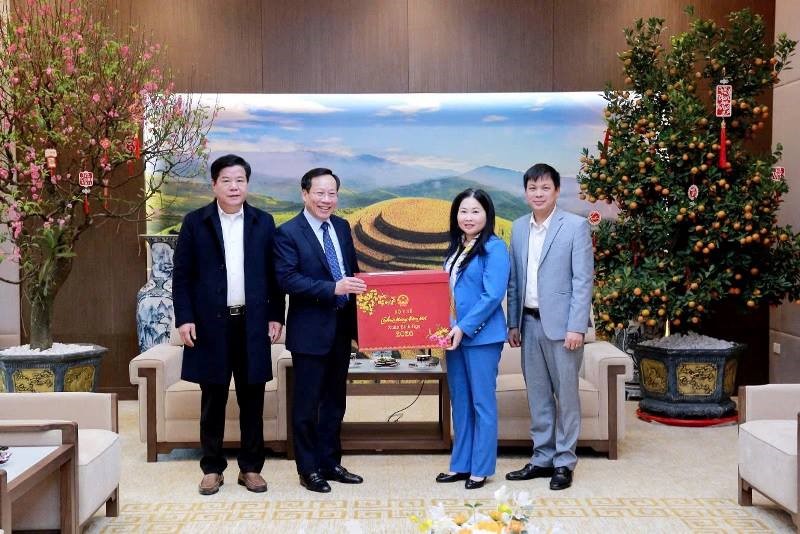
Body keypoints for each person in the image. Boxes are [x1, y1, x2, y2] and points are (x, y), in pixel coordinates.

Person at [172, 154, 285, 495]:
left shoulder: (263, 222)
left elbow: (274, 276)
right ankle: (212, 468)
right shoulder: (196, 222)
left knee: (252, 399)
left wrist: (276, 315)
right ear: (214, 185)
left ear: (247, 184)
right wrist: (184, 318)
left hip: (252, 324)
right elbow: (182, 276)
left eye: (240, 180)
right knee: (213, 399)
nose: (234, 186)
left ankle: (250, 467)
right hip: (210, 326)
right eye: (226, 180)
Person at [273, 167, 366, 493]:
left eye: (332, 194)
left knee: (335, 402)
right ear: (305, 194)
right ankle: (308, 469)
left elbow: (351, 273)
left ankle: (330, 462)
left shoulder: (341, 227)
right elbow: (287, 279)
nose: (327, 200)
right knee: (307, 405)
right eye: (320, 193)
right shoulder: (288, 233)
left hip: (341, 328)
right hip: (310, 331)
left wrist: (366, 322)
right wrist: (333, 288)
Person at [505, 163, 593, 490]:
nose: (538, 194)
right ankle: (542, 457)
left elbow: (583, 281)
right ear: (525, 192)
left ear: (556, 191)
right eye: (532, 188)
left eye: (545, 188)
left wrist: (576, 327)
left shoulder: (575, 226)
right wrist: (513, 323)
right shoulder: (518, 228)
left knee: (566, 396)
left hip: (563, 328)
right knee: (538, 395)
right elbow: (515, 281)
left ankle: (564, 462)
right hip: (528, 324)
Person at [435, 188, 510, 490]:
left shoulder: (495, 248)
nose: (468, 217)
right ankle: (460, 464)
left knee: (482, 403)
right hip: (453, 337)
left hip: (481, 337)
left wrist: (463, 327)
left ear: (487, 215)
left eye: (475, 211)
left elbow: (492, 295)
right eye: (463, 211)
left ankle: (481, 468)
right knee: (461, 402)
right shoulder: (457, 247)